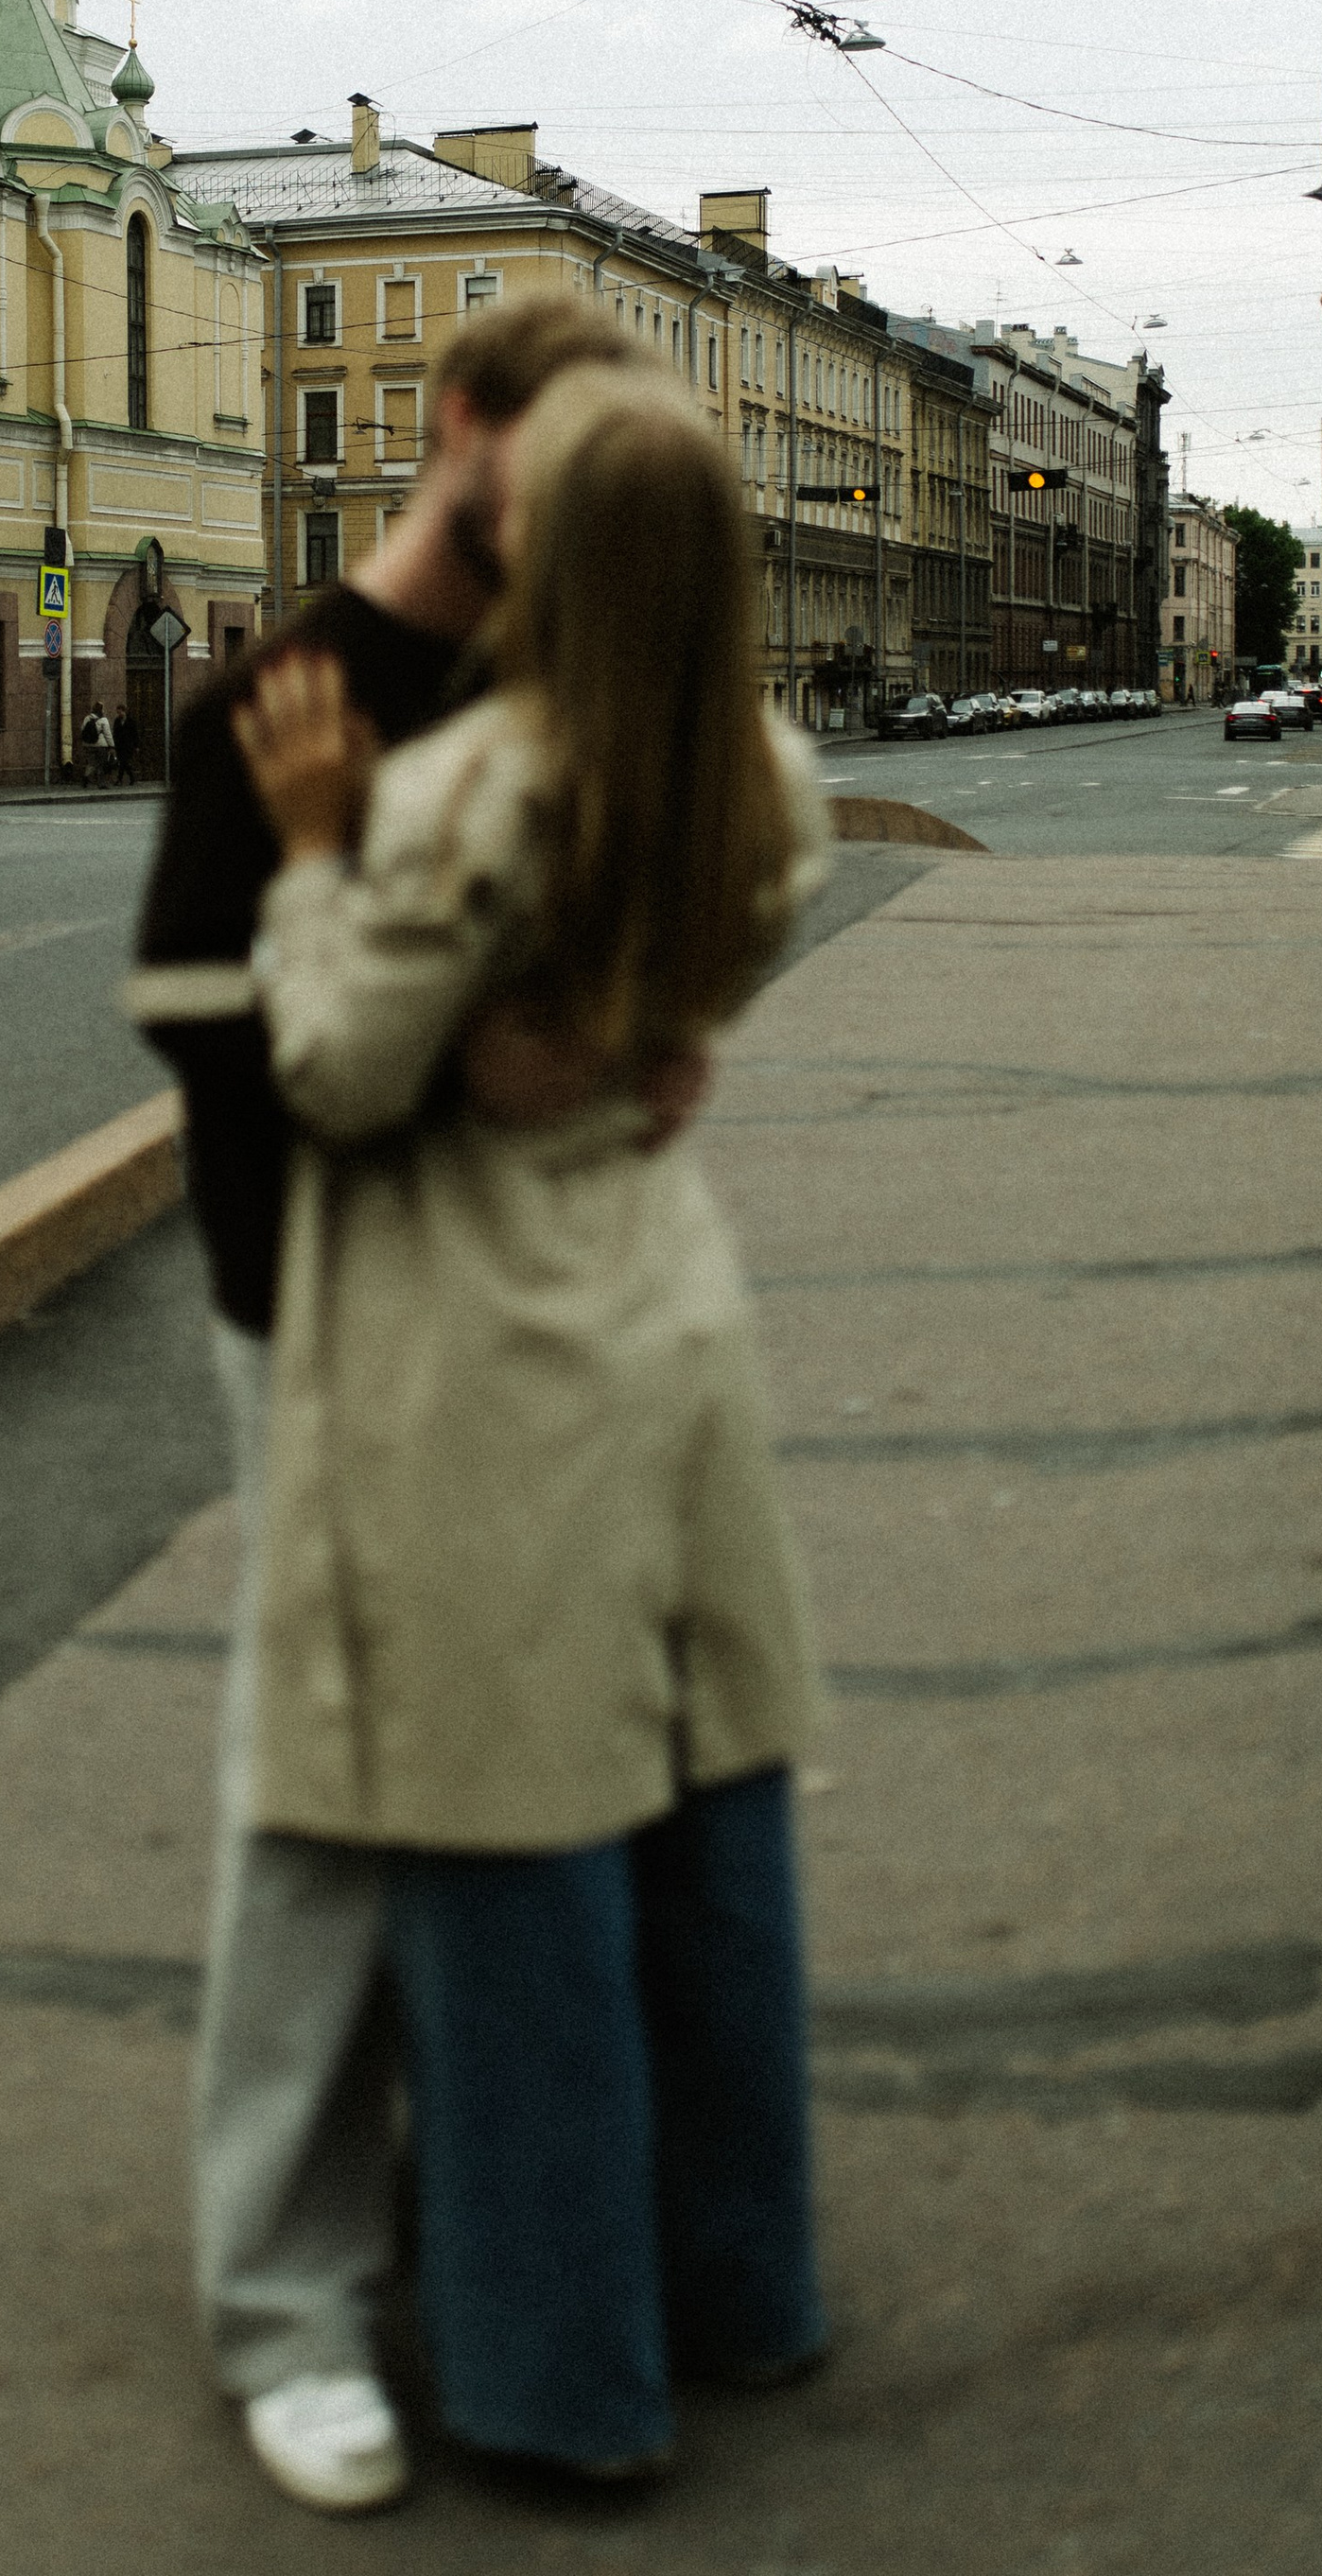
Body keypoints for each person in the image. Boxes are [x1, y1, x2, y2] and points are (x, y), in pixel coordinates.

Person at [232, 362, 829, 2481]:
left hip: (486, 1360)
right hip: (671, 1321)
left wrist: (312, 852)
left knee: (520, 1873)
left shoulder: (472, 792)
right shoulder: (756, 775)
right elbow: (690, 998)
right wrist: (642, 1037)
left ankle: (563, 2382)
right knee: (706, 1837)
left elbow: (328, 1067)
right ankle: (743, 2288)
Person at [127, 292, 682, 2515]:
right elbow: (199, 1024)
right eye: (537, 461)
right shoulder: (274, 703)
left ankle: (474, 2217)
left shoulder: (564, 681)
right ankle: (281, 2297)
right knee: (325, 1797)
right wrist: (459, 1032)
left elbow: (636, 1013)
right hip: (324, 1312)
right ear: (458, 429)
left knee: (526, 1773)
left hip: (538, 1309)